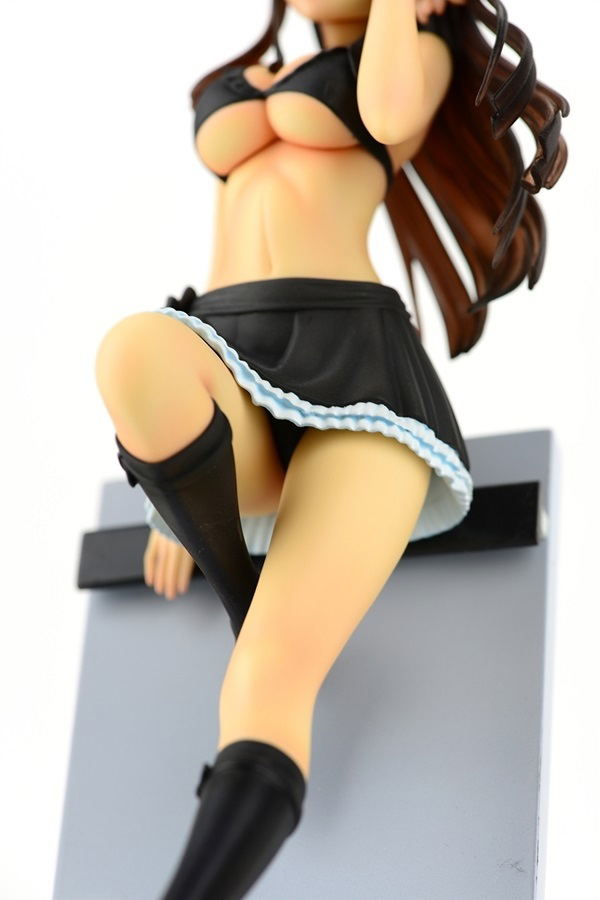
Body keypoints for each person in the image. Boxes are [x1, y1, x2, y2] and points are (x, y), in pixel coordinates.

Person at [94, 0, 569, 896]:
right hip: (230, 352)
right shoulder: (257, 73)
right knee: (133, 349)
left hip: (356, 371)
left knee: (267, 677)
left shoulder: (412, 56)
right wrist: (180, 502)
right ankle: (240, 585)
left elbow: (386, 115)